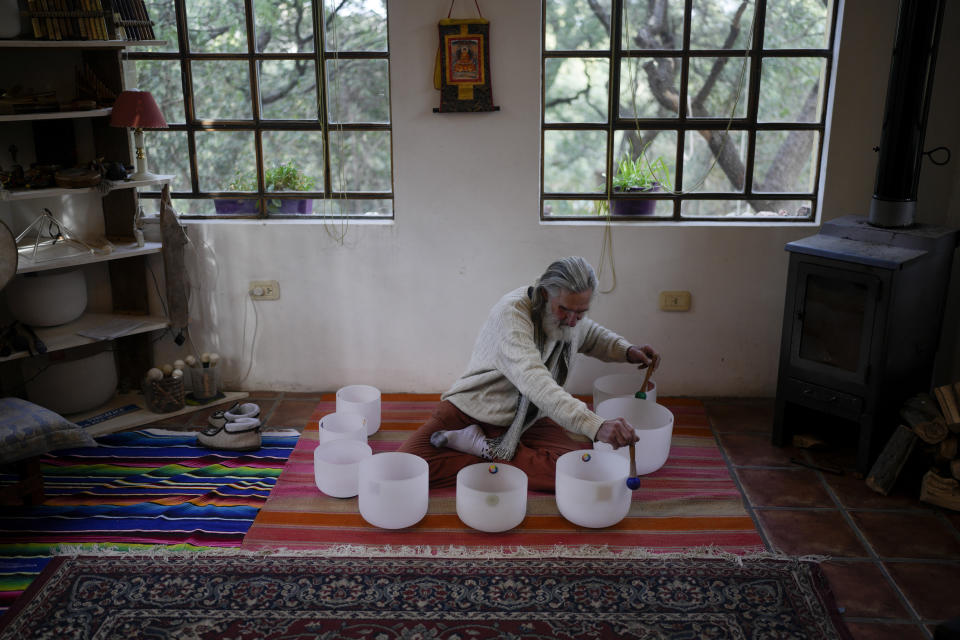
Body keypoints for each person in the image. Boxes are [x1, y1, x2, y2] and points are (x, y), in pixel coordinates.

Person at [398, 256, 660, 492]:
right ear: (545, 295)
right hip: (473, 410)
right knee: (405, 468)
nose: (571, 320)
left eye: (580, 312)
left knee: (577, 469)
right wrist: (596, 424)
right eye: (565, 310)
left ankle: (482, 449)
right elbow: (534, 380)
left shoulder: (570, 316)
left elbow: (589, 334)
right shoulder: (512, 313)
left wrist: (626, 350)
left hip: (529, 416)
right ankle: (490, 449)